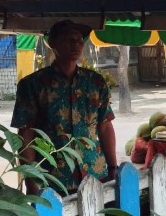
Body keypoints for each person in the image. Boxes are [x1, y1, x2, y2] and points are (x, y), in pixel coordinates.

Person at [12, 20, 118, 195]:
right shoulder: (32, 85)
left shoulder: (95, 82)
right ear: (53, 43)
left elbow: (105, 126)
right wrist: (30, 180)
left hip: (94, 176)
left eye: (79, 40)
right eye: (69, 39)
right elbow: (26, 133)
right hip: (52, 180)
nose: (76, 44)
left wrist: (113, 167)